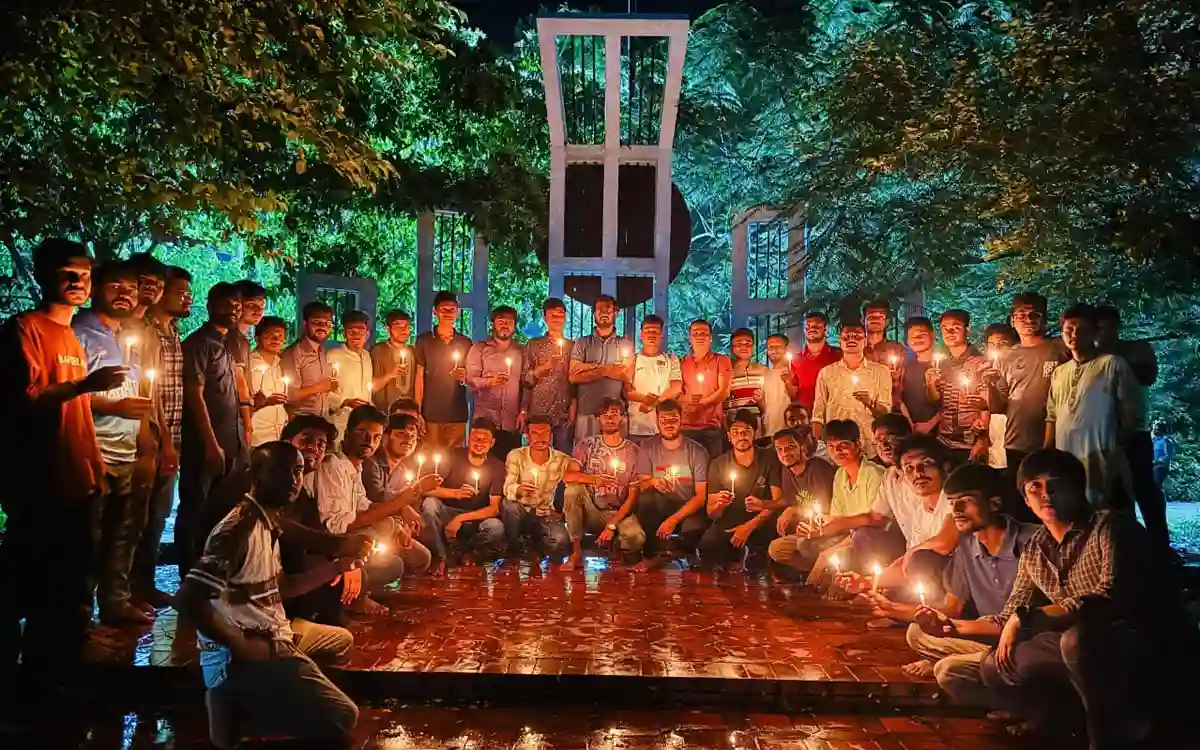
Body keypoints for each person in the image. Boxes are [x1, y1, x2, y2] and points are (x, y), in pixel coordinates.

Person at [972, 449, 1191, 745]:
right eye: (1034, 486)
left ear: (1078, 489)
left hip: (1143, 642)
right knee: (995, 664)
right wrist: (949, 625)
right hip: (1080, 648)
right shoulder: (1036, 547)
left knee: (1078, 640)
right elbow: (1012, 609)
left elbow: (1110, 599)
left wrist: (1028, 618)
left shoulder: (1111, 527)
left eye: (1057, 484)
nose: (1046, 493)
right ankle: (1061, 720)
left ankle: (1109, 736)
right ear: (1025, 499)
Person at [178, 441, 361, 749]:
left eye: (298, 471)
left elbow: (283, 587)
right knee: (343, 717)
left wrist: (338, 567)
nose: (293, 480)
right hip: (245, 651)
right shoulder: (238, 529)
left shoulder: (267, 522)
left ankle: (277, 690)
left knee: (340, 640)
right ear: (257, 475)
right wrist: (241, 645)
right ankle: (235, 707)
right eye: (282, 471)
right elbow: (189, 599)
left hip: (273, 633)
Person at [0, 239, 125, 680]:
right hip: (41, 482)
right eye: (66, 273)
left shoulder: (71, 335)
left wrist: (95, 467)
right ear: (43, 275)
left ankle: (65, 669)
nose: (76, 282)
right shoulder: (23, 329)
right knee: (32, 580)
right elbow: (26, 399)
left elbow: (77, 412)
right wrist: (83, 385)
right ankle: (30, 681)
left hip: (81, 480)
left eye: (84, 275)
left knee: (73, 579)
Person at [866, 465, 1037, 682]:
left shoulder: (1033, 542)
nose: (956, 509)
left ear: (994, 503)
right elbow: (951, 607)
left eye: (965, 500)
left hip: (1024, 641)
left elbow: (1021, 620)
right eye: (952, 502)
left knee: (948, 671)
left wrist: (952, 628)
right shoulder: (967, 544)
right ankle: (982, 662)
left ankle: (981, 667)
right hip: (986, 638)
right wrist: (893, 609)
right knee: (916, 634)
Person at [73, 261, 155, 626]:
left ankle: (115, 604)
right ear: (95, 289)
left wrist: (143, 443)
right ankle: (79, 623)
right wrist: (114, 405)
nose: (124, 294)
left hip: (126, 450)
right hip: (94, 450)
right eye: (114, 286)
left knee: (123, 536)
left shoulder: (126, 337)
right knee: (87, 542)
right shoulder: (81, 334)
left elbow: (136, 393)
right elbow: (69, 395)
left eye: (130, 288)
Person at [315, 406, 435, 614]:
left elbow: (367, 505)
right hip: (332, 545)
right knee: (385, 546)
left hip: (354, 537)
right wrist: (405, 499)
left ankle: (362, 586)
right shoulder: (333, 466)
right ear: (347, 432)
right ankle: (352, 594)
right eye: (363, 433)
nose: (370, 442)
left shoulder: (356, 466)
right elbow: (339, 526)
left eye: (376, 437)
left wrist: (396, 524)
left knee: (410, 559)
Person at [131, 264, 192, 608]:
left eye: (188, 293)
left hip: (173, 436)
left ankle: (143, 584)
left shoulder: (174, 331)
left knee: (157, 514)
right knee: (137, 517)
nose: (186, 299)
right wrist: (165, 441)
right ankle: (128, 590)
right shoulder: (144, 332)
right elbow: (149, 392)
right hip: (149, 437)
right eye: (179, 292)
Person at [178, 282, 247, 579]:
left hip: (234, 439)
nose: (233, 311)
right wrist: (209, 443)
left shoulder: (234, 342)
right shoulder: (198, 343)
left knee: (228, 509)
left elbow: (240, 388)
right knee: (196, 507)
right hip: (205, 441)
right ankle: (189, 572)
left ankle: (218, 571)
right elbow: (194, 393)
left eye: (237, 306)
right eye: (226, 304)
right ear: (209, 306)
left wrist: (246, 433)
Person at [834, 435, 958, 599]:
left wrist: (912, 554)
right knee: (890, 592)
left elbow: (944, 542)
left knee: (921, 561)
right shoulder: (920, 512)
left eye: (926, 464)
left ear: (943, 467)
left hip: (962, 583)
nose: (918, 473)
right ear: (902, 474)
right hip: (938, 578)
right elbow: (905, 565)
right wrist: (866, 583)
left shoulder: (954, 498)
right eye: (909, 468)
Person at [1045, 303, 1141, 508]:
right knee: (1075, 512)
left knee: (1111, 515)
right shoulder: (1059, 373)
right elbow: (1051, 416)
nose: (1074, 335)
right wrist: (1047, 454)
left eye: (1081, 329)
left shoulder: (1113, 364)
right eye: (1068, 330)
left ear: (1095, 333)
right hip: (1067, 457)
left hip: (1102, 456)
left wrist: (1116, 449)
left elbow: (1130, 412)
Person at [1095, 304, 1167, 548]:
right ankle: (1125, 547)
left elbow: (1148, 376)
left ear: (1116, 327)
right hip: (1102, 432)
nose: (1100, 334)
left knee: (1144, 488)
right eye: (1095, 328)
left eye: (1105, 328)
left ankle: (1160, 546)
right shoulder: (1091, 357)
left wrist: (1118, 360)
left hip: (1134, 431)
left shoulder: (1135, 350)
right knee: (1113, 494)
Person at [984, 292, 1070, 487]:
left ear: (1044, 319)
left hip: (1056, 440)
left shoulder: (1061, 348)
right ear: (1012, 321)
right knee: (1020, 499)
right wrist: (990, 386)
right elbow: (998, 407)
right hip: (1016, 441)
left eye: (1035, 315)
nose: (1028, 320)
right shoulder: (1005, 357)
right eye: (1021, 315)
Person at [790, 420, 885, 585]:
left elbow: (873, 523)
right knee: (804, 543)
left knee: (841, 553)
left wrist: (826, 554)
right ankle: (830, 577)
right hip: (847, 534)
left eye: (844, 445)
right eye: (831, 446)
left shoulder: (873, 474)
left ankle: (850, 582)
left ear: (858, 445)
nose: (837, 451)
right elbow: (836, 517)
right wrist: (815, 527)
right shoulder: (840, 474)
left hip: (870, 539)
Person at [562, 398, 645, 569]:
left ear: (623, 418)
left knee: (635, 537)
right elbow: (568, 476)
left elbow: (632, 498)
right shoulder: (587, 445)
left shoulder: (633, 451)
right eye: (604, 415)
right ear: (598, 419)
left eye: (614, 414)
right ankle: (576, 551)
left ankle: (617, 548)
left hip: (618, 511)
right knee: (572, 490)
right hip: (591, 509)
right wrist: (595, 479)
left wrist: (612, 524)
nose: (609, 418)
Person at [418, 418, 508, 574]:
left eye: (484, 439)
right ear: (468, 438)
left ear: (492, 443)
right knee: (430, 505)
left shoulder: (497, 466)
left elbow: (493, 509)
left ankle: (469, 552)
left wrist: (460, 519)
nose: (479, 442)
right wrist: (455, 493)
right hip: (448, 510)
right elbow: (427, 489)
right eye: (475, 438)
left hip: (475, 518)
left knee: (495, 527)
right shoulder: (453, 456)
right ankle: (440, 555)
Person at [629, 400, 711, 570]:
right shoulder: (647, 447)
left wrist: (674, 520)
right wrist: (653, 481)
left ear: (681, 419)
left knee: (693, 529)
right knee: (646, 499)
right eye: (663, 420)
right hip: (662, 505)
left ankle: (686, 553)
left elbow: (701, 496)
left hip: (688, 507)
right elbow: (642, 485)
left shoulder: (697, 451)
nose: (668, 424)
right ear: (657, 421)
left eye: (673, 419)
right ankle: (652, 554)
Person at [699, 410, 782, 570]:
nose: (741, 436)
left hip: (762, 519)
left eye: (746, 432)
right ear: (729, 436)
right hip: (731, 519)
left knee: (760, 559)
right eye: (736, 432)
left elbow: (777, 502)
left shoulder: (769, 459)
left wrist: (748, 527)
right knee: (707, 546)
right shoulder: (718, 464)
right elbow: (711, 512)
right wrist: (720, 505)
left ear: (755, 434)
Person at [811, 320, 891, 458]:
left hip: (869, 445)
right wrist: (819, 444)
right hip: (836, 445)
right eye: (846, 337)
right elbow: (818, 413)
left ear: (865, 341)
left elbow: (885, 413)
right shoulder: (827, 373)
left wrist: (869, 403)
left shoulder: (881, 372)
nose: (851, 339)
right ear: (840, 341)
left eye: (857, 336)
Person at [501, 415, 572, 568]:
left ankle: (541, 546)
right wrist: (520, 490)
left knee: (561, 541)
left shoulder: (563, 460)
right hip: (523, 511)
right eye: (535, 433)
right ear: (527, 436)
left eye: (545, 433)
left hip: (547, 515)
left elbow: (571, 489)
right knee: (510, 506)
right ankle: (515, 549)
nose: (541, 438)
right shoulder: (516, 456)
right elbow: (508, 488)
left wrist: (562, 512)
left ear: (551, 436)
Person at [766, 428, 837, 576]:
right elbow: (792, 501)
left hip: (829, 529)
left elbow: (824, 507)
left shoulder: (818, 467)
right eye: (780, 449)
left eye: (790, 447)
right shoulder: (786, 471)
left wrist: (793, 510)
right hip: (806, 530)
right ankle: (815, 571)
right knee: (776, 549)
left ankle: (827, 571)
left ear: (802, 446)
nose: (785, 453)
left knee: (803, 545)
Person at [925, 309, 989, 464]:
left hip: (971, 441)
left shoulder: (980, 362)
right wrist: (930, 384)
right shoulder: (940, 363)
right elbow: (934, 400)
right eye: (945, 328)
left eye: (956, 327)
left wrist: (983, 438)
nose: (950, 332)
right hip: (944, 440)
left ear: (967, 328)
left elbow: (989, 404)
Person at [568, 294, 632, 445]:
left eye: (608, 309)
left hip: (615, 416)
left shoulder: (625, 344)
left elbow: (626, 374)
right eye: (599, 309)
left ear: (616, 313)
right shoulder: (581, 343)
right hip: (586, 413)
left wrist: (589, 368)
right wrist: (606, 370)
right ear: (594, 313)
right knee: (584, 460)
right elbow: (573, 376)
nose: (603, 313)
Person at [414, 291, 472, 449]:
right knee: (430, 459)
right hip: (430, 413)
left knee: (454, 461)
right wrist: (417, 412)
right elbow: (418, 377)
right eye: (443, 309)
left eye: (452, 310)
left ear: (458, 312)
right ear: (435, 311)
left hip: (457, 414)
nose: (448, 313)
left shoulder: (465, 342)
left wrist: (464, 376)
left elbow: (472, 377)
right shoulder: (424, 341)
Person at [466, 306, 524, 458]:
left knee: (510, 465)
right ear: (493, 324)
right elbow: (470, 381)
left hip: (512, 421)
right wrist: (489, 382)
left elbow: (527, 385)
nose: (505, 325)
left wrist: (524, 411)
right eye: (501, 321)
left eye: (509, 322)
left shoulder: (521, 351)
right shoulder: (479, 349)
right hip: (486, 420)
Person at [360, 413, 428, 545]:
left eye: (413, 436)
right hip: (367, 526)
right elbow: (377, 496)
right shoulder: (371, 462)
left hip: (393, 528)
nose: (408, 440)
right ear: (385, 436)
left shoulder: (402, 471)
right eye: (401, 434)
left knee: (423, 557)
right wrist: (404, 507)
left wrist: (406, 528)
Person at [521, 297, 575, 455]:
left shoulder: (573, 347)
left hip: (563, 411)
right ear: (545, 318)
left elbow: (576, 380)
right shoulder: (534, 345)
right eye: (553, 315)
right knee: (538, 456)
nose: (557, 319)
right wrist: (542, 369)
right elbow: (526, 379)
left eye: (560, 315)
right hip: (539, 410)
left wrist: (574, 404)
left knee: (563, 456)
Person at [679, 319, 732, 458]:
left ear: (710, 338)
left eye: (704, 333)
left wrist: (702, 404)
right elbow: (678, 394)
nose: (700, 336)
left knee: (713, 470)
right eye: (696, 333)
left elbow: (724, 391)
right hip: (686, 426)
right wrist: (686, 401)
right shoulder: (682, 363)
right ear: (690, 338)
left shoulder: (721, 360)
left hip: (711, 426)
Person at [624, 314, 682, 443]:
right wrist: (644, 399)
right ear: (641, 335)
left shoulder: (671, 358)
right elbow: (626, 391)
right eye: (648, 331)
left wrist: (654, 402)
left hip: (665, 426)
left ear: (661, 335)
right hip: (637, 426)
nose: (651, 334)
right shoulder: (633, 359)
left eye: (655, 331)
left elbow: (676, 388)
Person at [280, 301, 337, 419]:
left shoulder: (322, 351)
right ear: (305, 324)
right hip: (301, 422)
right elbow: (289, 395)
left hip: (322, 420)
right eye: (317, 322)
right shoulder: (294, 353)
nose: (322, 327)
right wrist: (320, 387)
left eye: (327, 323)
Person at [327, 309, 375, 438]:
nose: (356, 335)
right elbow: (325, 390)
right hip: (340, 420)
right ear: (344, 333)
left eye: (361, 331)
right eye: (351, 331)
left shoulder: (367, 356)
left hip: (363, 422)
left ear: (367, 334)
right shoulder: (334, 356)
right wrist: (345, 401)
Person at [230, 280, 266, 445]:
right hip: (232, 417)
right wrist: (247, 423)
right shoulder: (233, 338)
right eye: (252, 305)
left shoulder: (244, 340)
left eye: (262, 305)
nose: (258, 310)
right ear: (237, 305)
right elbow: (238, 380)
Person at [981, 323, 1018, 470]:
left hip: (1013, 432)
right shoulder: (987, 369)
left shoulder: (1018, 368)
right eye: (992, 344)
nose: (996, 348)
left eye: (1002, 343)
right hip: (995, 433)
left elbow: (1002, 405)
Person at [248, 316, 290, 446]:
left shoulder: (281, 364)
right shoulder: (248, 364)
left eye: (280, 336)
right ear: (257, 338)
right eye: (270, 335)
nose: (276, 339)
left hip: (279, 435)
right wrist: (265, 402)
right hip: (257, 436)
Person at [790, 311, 841, 413]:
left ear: (825, 329)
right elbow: (793, 394)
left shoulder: (838, 356)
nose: (812, 329)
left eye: (817, 326)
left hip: (832, 414)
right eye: (808, 326)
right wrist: (787, 382)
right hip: (805, 415)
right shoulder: (795, 360)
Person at [862, 299, 907, 409]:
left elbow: (901, 387)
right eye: (871, 317)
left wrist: (894, 381)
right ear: (863, 320)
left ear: (887, 321)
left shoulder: (897, 350)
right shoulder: (855, 349)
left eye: (880, 317)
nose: (876, 320)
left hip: (888, 408)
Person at [899, 317, 939, 435]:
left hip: (939, 431)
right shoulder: (905, 366)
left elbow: (950, 404)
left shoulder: (944, 365)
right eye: (913, 336)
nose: (917, 339)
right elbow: (900, 398)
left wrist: (930, 424)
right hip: (910, 429)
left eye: (922, 334)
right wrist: (909, 423)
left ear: (933, 335)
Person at [371, 309, 415, 413]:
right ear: (388, 329)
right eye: (398, 326)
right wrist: (391, 374)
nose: (403, 330)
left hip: (409, 412)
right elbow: (372, 386)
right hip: (384, 412)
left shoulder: (413, 351)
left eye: (407, 326)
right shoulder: (378, 351)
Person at [724, 328, 768, 430]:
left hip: (757, 427)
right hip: (733, 427)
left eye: (748, 343)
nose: (743, 347)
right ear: (732, 347)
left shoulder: (763, 371)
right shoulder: (725, 372)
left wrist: (761, 401)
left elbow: (769, 407)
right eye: (739, 344)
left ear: (753, 347)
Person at [760, 333, 797, 438]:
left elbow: (796, 397)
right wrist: (759, 400)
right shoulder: (765, 374)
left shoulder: (794, 371)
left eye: (778, 347)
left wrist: (788, 382)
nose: (774, 350)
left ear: (786, 348)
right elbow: (766, 408)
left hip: (789, 431)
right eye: (770, 347)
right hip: (769, 431)